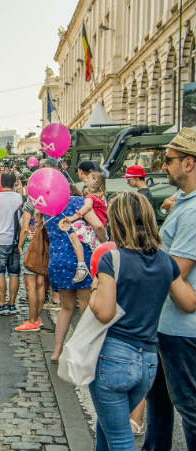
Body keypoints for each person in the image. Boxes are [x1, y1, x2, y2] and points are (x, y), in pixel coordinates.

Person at [89, 191, 195, 451]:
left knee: (121, 439)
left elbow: (104, 311)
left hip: (113, 358)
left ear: (116, 221)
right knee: (107, 427)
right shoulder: (165, 261)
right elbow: (189, 302)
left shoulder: (112, 260)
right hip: (147, 362)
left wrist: (94, 290)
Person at [144, 127, 196, 451]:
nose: (164, 166)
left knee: (189, 408)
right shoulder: (185, 204)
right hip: (168, 325)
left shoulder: (192, 213)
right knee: (159, 405)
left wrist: (150, 251)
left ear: (188, 164)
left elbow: (176, 272)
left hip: (181, 330)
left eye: (169, 160)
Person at [46, 188, 94, 362]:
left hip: (57, 261)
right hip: (79, 262)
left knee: (66, 308)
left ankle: (57, 351)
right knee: (86, 307)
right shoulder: (77, 203)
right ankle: (84, 352)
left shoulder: (47, 210)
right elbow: (97, 225)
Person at [59, 171, 108, 283]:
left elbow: (87, 207)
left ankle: (81, 265)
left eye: (88, 177)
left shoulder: (89, 198)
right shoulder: (102, 197)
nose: (85, 179)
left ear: (95, 180)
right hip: (102, 227)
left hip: (94, 228)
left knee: (74, 230)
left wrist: (75, 216)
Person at [0, 172, 23, 315]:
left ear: (1, 184)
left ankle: (2, 304)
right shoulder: (21, 198)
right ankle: (12, 304)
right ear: (14, 183)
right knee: (14, 273)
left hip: (0, 241)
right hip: (15, 241)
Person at [16, 189, 45, 331]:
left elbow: (25, 228)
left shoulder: (30, 204)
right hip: (44, 246)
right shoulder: (49, 203)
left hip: (30, 246)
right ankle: (38, 318)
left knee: (30, 285)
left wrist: (20, 245)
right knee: (40, 284)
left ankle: (32, 320)